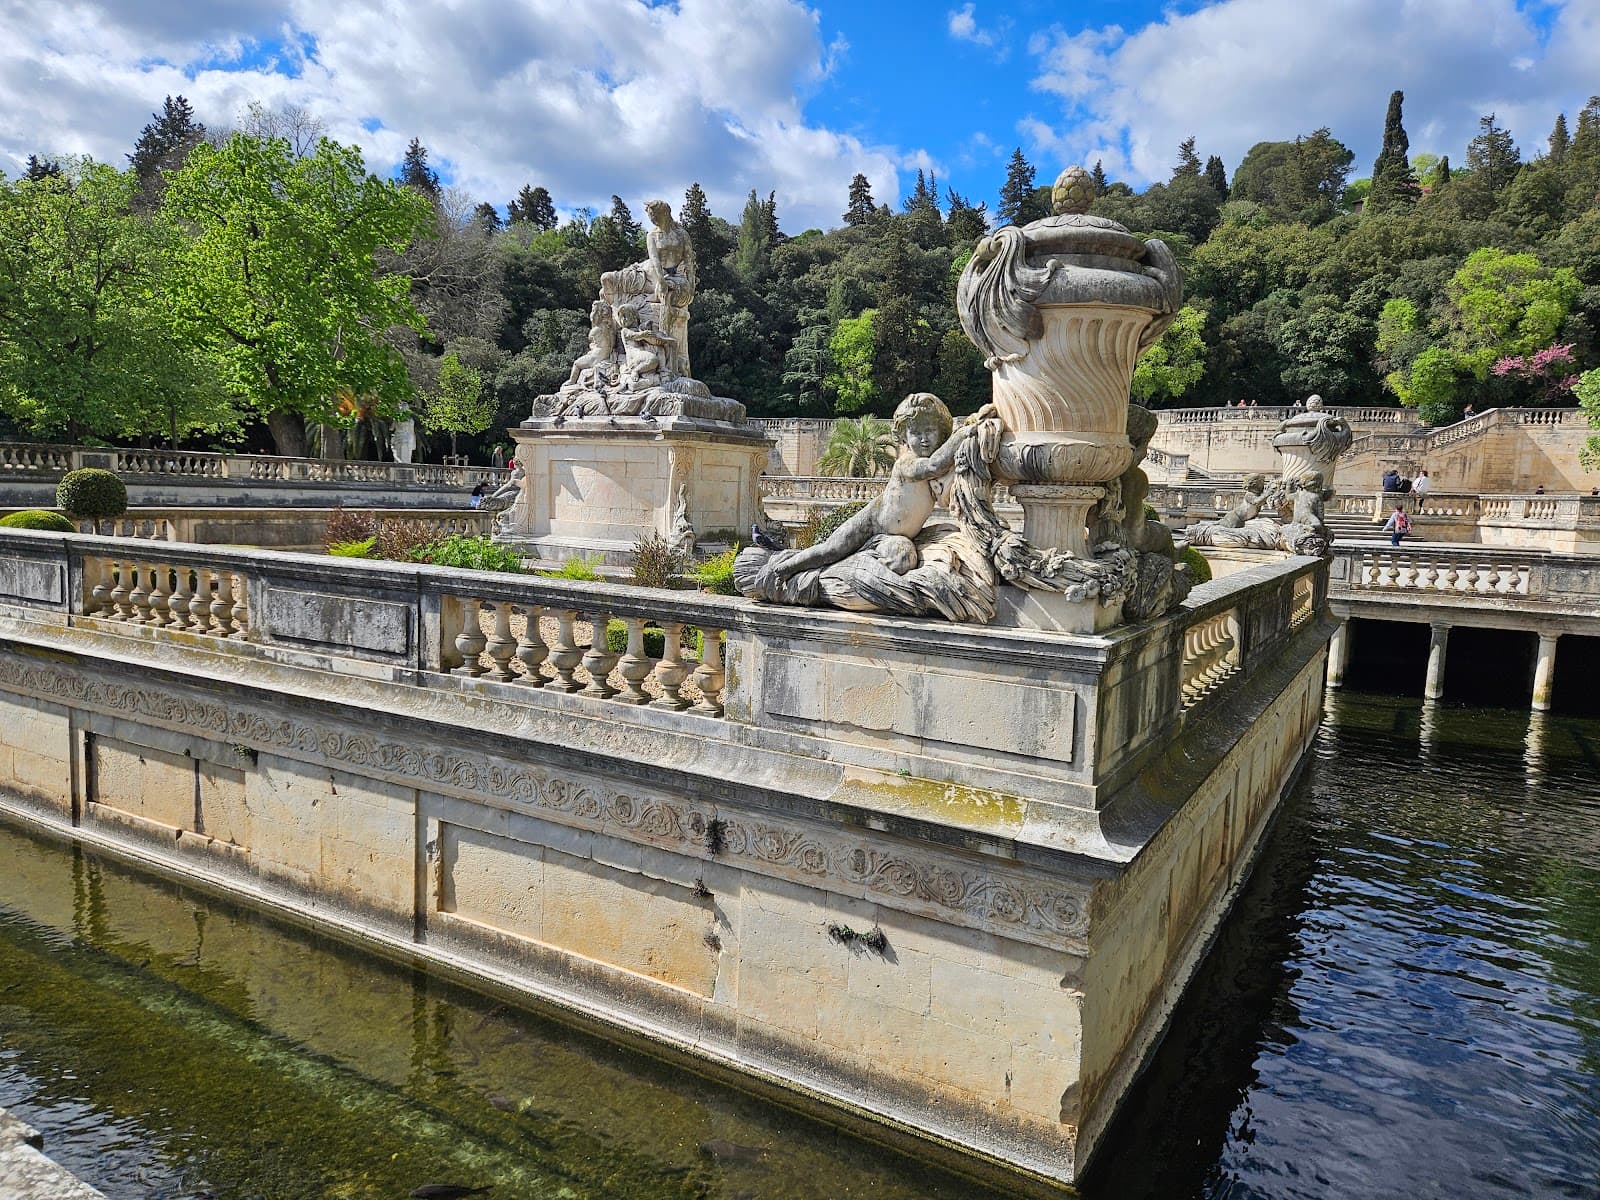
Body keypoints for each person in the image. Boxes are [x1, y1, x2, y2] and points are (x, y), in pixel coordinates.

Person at [769, 394, 993, 581]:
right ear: (904, 436)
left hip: (893, 537)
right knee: (830, 550)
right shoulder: (907, 463)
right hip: (872, 522)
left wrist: (974, 424)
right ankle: (786, 568)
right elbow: (934, 465)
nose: (924, 439)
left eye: (930, 431)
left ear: (941, 431)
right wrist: (964, 433)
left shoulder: (937, 462)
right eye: (916, 433)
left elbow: (949, 462)